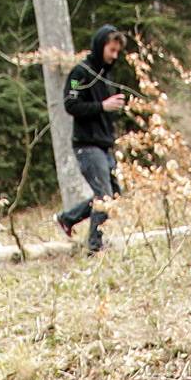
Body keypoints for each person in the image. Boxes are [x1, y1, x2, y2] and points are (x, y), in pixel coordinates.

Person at [56, 25, 126, 255]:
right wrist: (102, 106)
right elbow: (71, 104)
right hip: (87, 145)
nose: (114, 56)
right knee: (104, 197)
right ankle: (94, 247)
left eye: (117, 52)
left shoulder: (106, 75)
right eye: (111, 50)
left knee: (113, 195)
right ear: (100, 46)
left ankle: (67, 218)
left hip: (104, 144)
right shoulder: (80, 74)